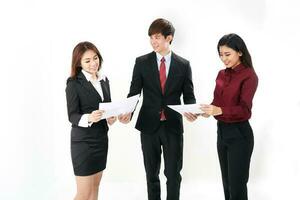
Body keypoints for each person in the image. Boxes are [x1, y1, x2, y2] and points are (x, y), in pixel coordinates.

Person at [118, 18, 198, 200]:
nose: (153, 41)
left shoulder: (183, 65)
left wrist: (191, 111)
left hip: (172, 127)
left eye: (157, 37)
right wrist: (128, 113)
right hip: (148, 126)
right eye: (151, 38)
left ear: (169, 38)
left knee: (173, 173)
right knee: (151, 174)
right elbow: (134, 93)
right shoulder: (141, 62)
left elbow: (189, 95)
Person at [200, 33, 258, 200]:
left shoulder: (249, 76)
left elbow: (245, 110)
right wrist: (204, 111)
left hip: (240, 135)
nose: (223, 59)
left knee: (237, 187)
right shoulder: (221, 74)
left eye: (227, 54)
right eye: (220, 55)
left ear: (239, 52)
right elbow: (217, 103)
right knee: (227, 185)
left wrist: (220, 111)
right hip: (222, 134)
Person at [65, 41, 116, 200]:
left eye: (95, 58)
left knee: (95, 188)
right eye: (87, 61)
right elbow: (72, 116)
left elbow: (106, 107)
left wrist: (111, 117)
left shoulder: (104, 80)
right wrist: (89, 117)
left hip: (101, 140)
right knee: (83, 194)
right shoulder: (73, 83)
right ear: (79, 63)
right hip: (83, 143)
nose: (93, 63)